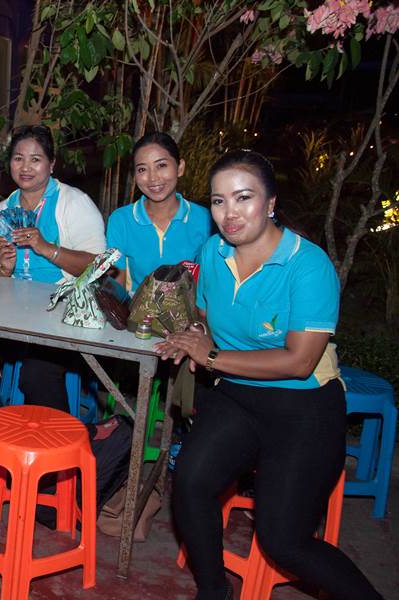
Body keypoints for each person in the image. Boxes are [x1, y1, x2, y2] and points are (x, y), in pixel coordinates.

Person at [156, 150, 383, 600]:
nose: (230, 213)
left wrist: (211, 356)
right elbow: (206, 315)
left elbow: (299, 361)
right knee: (190, 483)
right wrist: (193, 335)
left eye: (244, 197)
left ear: (271, 202)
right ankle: (214, 591)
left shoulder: (308, 265)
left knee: (284, 541)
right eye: (218, 201)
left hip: (303, 407)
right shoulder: (213, 251)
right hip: (236, 396)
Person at [0, 125, 106, 421]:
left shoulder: (73, 203)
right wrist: (2, 269)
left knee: (37, 374)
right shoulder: (3, 209)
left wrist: (47, 248)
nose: (25, 167)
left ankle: (60, 443)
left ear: (52, 164)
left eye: (36, 159)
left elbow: (97, 267)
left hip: (60, 311)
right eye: (18, 158)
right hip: (10, 312)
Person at [106, 132, 212, 295]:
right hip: (135, 308)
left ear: (180, 167)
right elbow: (116, 284)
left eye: (161, 165)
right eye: (142, 169)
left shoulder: (204, 219)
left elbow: (208, 283)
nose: (153, 178)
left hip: (188, 308)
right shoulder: (121, 220)